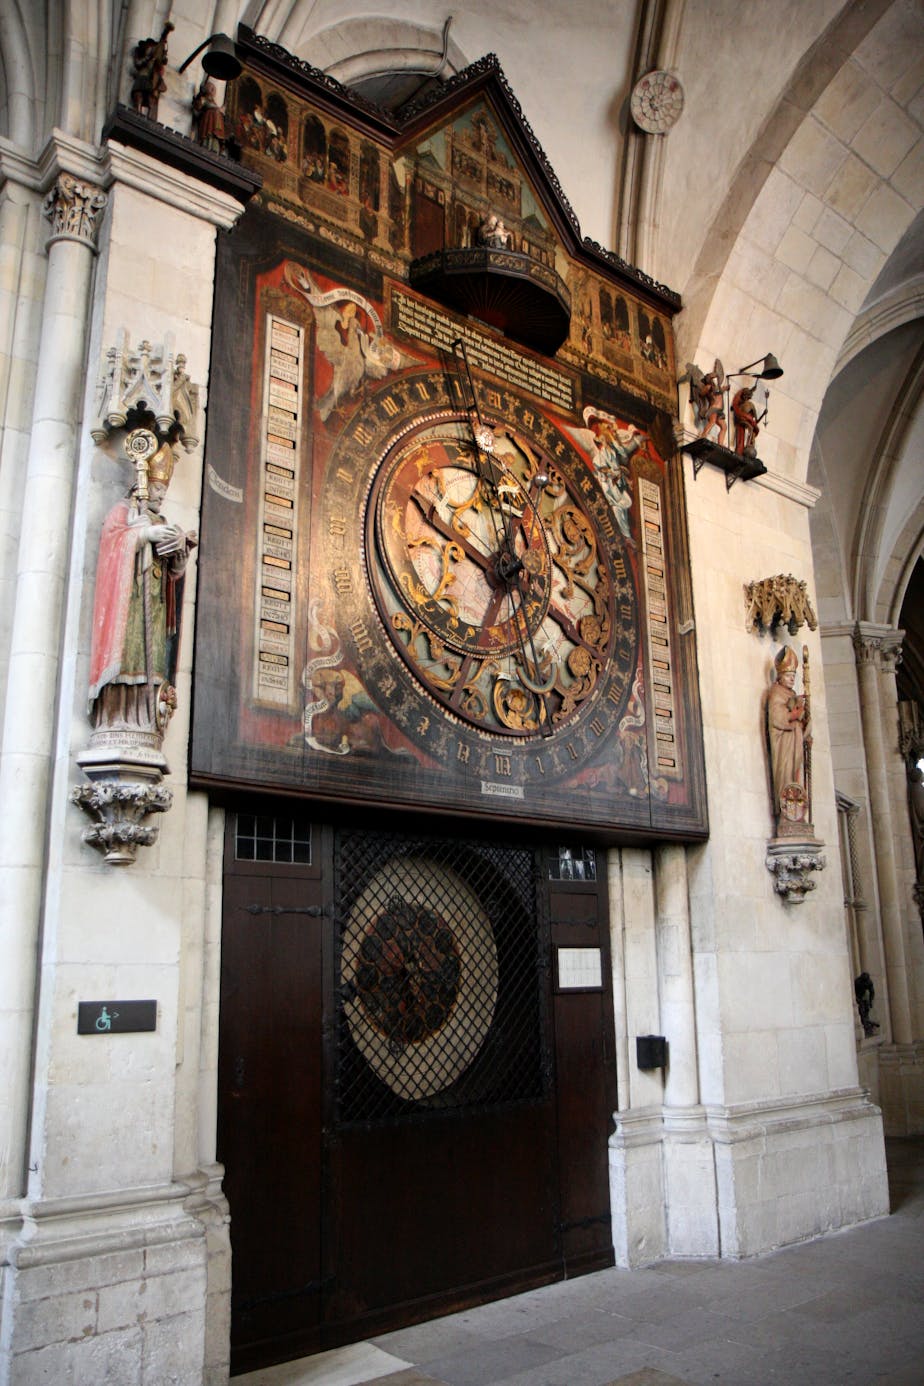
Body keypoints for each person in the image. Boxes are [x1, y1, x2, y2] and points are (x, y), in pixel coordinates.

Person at [87, 437, 196, 733]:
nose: (161, 496)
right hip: (128, 606)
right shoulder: (124, 513)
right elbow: (113, 544)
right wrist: (144, 536)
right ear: (143, 485)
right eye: (158, 490)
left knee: (152, 662)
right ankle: (115, 719)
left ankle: (145, 718)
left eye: (164, 491)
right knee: (128, 659)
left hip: (154, 611)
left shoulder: (160, 519)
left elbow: (171, 576)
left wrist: (180, 557)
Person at [767, 645, 810, 829]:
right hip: (784, 748)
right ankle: (787, 813)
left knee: (797, 777)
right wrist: (795, 713)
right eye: (788, 676)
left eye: (794, 676)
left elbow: (800, 720)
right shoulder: (776, 693)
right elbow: (777, 718)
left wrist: (806, 722)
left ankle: (797, 813)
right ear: (780, 676)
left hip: (796, 745)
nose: (792, 679)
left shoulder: (792, 695)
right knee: (786, 777)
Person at [130, 23, 174, 121]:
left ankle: (150, 117)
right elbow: (138, 64)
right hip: (143, 76)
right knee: (138, 94)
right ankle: (137, 113)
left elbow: (161, 46)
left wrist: (165, 33)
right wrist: (148, 58)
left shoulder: (155, 58)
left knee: (151, 98)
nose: (150, 50)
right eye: (149, 48)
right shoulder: (143, 57)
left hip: (151, 78)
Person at [192, 77, 226, 154]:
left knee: (215, 138)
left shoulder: (214, 102)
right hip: (208, 120)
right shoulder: (204, 99)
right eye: (211, 88)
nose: (213, 89)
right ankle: (206, 146)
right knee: (208, 135)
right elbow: (198, 107)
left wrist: (219, 110)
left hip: (216, 123)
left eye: (214, 88)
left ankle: (215, 149)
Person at [732, 385, 760, 457]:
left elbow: (756, 420)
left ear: (748, 397)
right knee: (748, 431)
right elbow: (737, 412)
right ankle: (743, 447)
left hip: (747, 423)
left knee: (751, 431)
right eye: (743, 395)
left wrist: (763, 414)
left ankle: (748, 446)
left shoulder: (751, 405)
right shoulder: (740, 405)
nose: (744, 397)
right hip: (741, 422)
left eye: (745, 395)